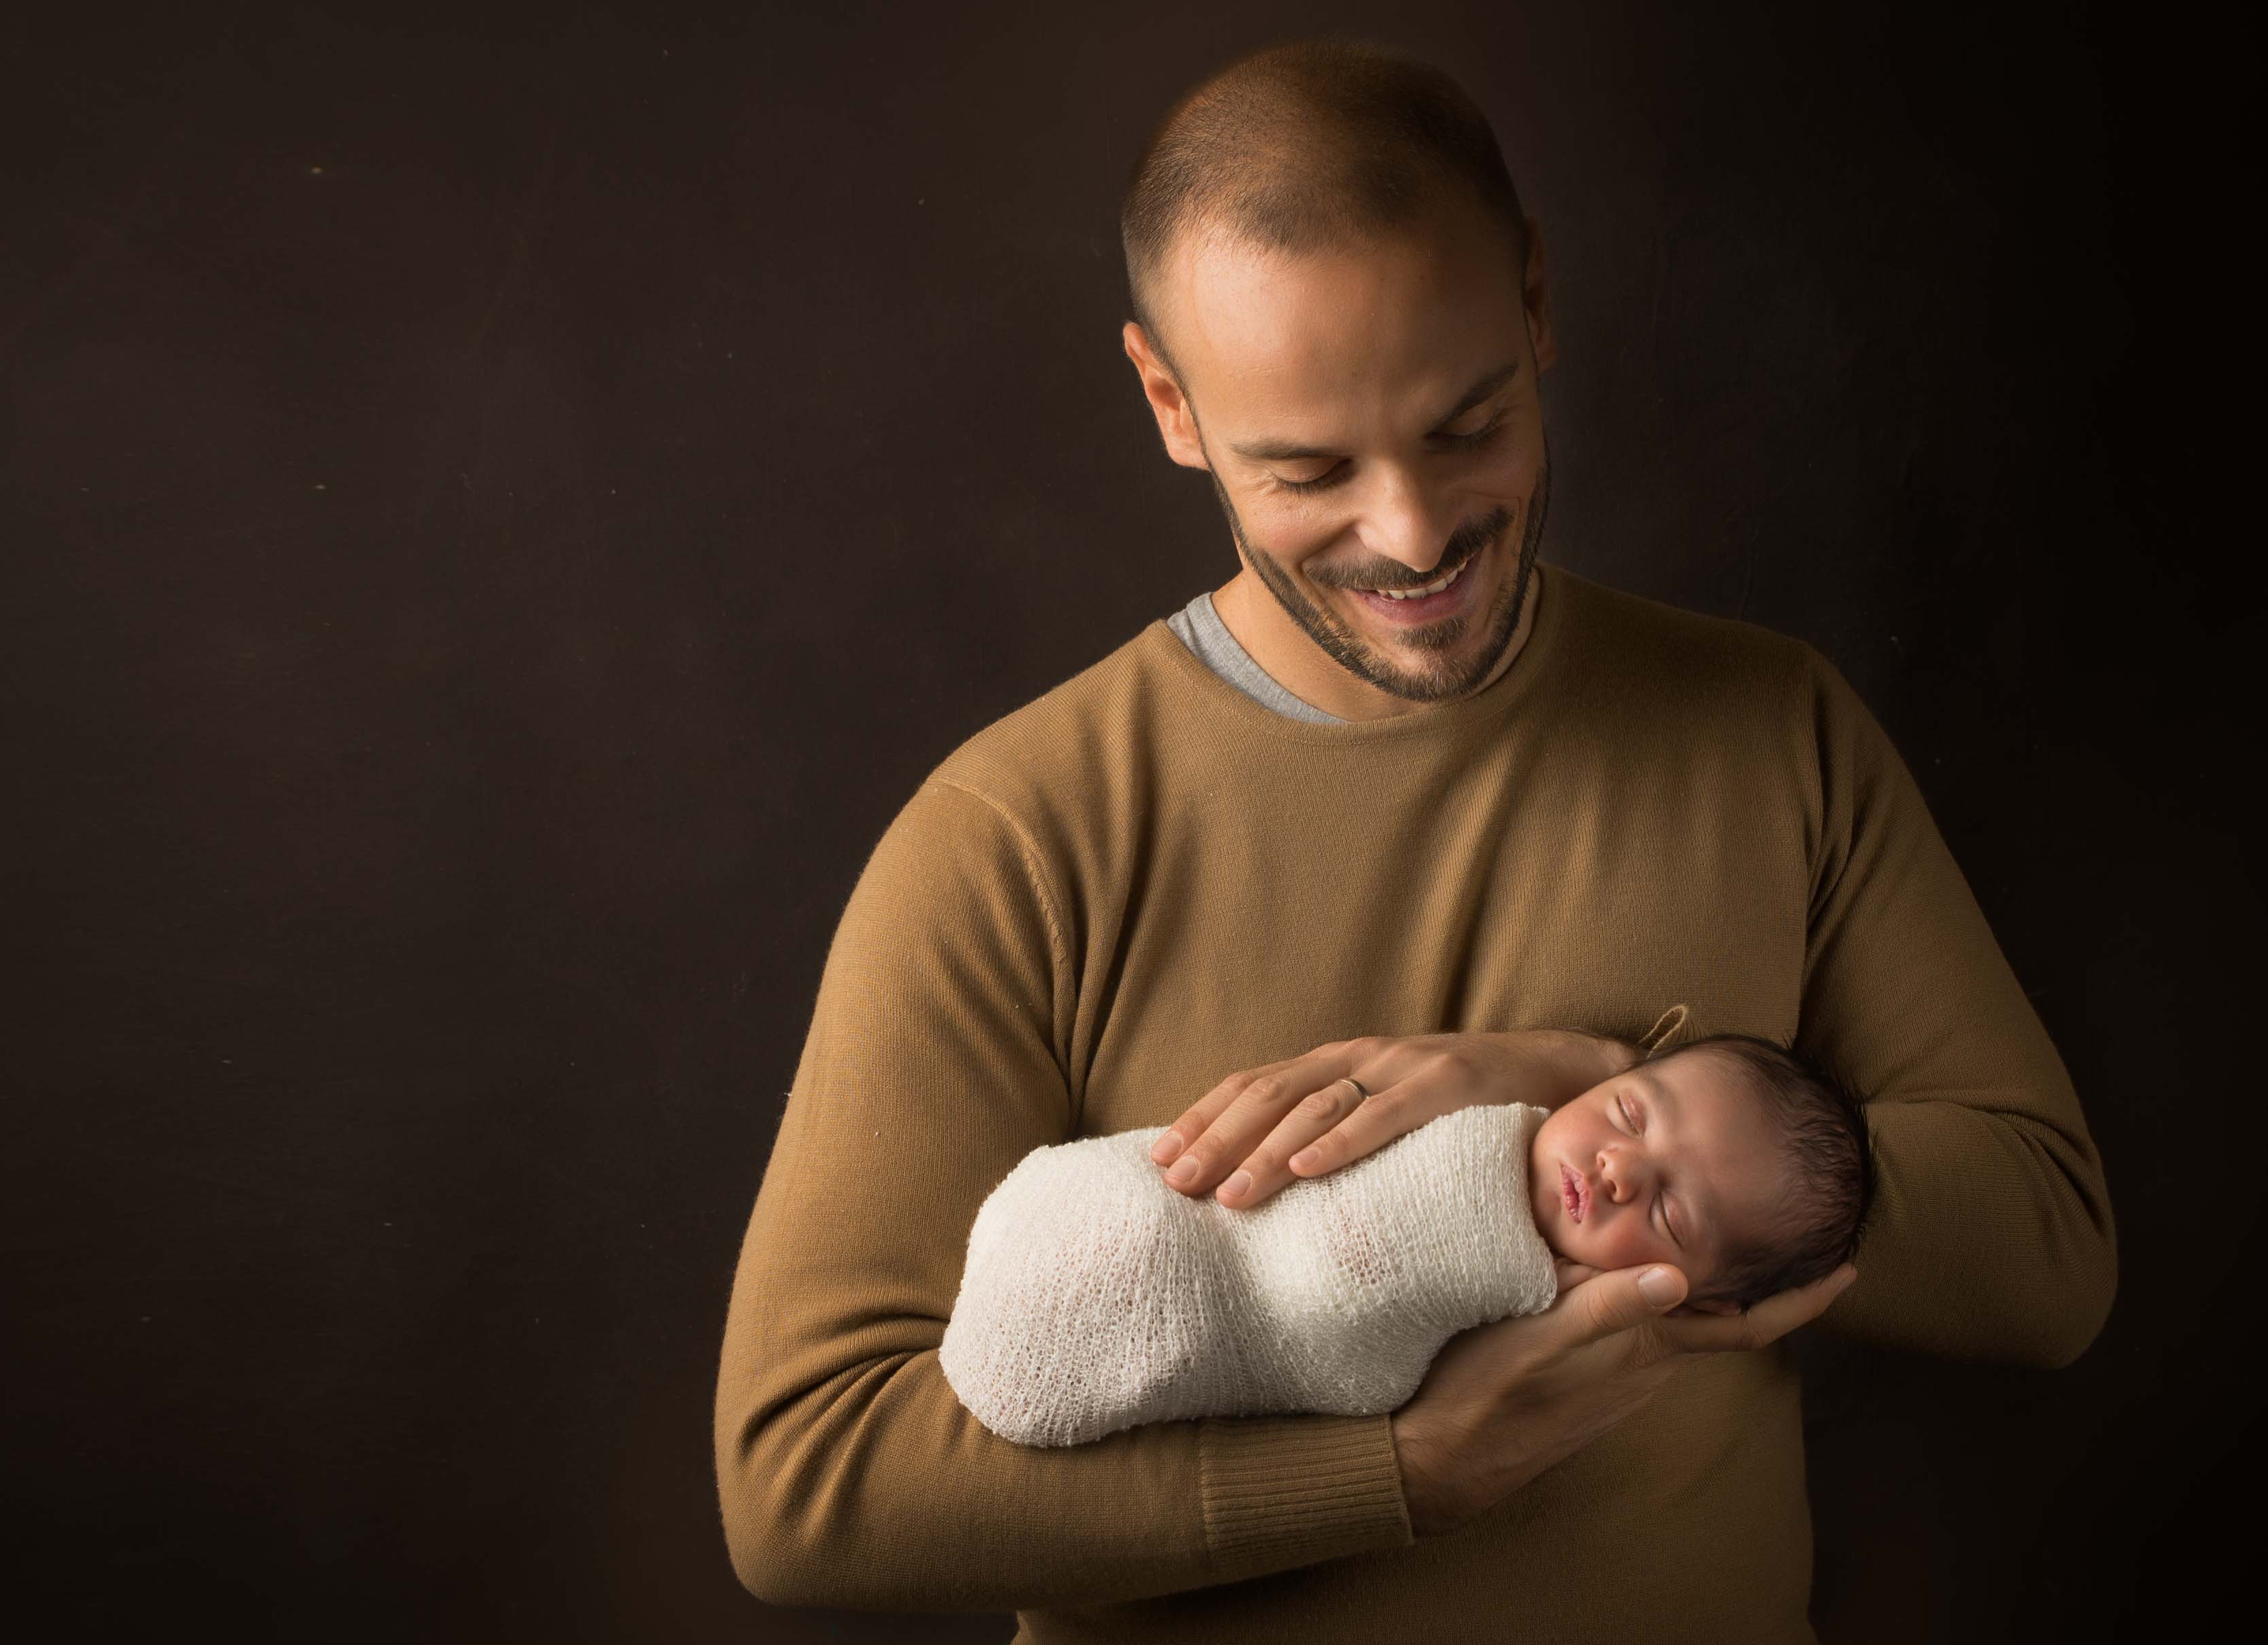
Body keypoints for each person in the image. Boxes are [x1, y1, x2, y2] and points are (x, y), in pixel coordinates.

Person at [714, 36, 2115, 1643]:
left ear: (1533, 302)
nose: (1412, 531)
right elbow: (805, 1484)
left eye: (1466, 426)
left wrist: (1567, 1074)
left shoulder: (1767, 725)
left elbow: (2047, 1249)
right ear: (1170, 402)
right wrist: (1401, 1470)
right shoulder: (1015, 836)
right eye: (1307, 469)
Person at [939, 1028, 1878, 1448]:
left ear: (1700, 1295)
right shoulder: (1485, 1114)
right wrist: (1581, 1056)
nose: (1620, 1168)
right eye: (1629, 1111)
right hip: (1152, 1210)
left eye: (1670, 1213)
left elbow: (1350, 1332)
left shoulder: (1561, 1307)